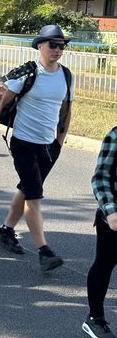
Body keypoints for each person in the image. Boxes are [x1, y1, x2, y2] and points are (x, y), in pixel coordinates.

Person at [0, 24, 73, 273]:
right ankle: (44, 250)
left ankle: (5, 231)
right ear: (40, 46)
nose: (58, 49)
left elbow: (66, 111)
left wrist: (59, 142)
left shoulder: (66, 76)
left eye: (61, 45)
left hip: (49, 146)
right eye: (53, 45)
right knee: (34, 196)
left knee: (26, 189)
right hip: (23, 143)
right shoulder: (26, 74)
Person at [82, 126, 117, 338]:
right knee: (104, 264)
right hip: (113, 217)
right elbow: (100, 178)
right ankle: (95, 318)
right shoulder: (115, 135)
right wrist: (111, 211)